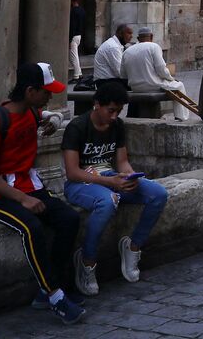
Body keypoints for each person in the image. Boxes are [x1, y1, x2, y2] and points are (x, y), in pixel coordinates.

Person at [0, 62, 85, 324]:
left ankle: (48, 286)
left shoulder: (31, 113)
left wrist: (54, 118)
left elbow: (46, 115)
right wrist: (22, 198)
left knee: (69, 219)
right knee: (31, 228)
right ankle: (55, 295)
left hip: (29, 186)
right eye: (45, 91)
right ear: (29, 91)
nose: (50, 96)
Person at [61, 81, 169, 294]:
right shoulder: (77, 127)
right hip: (81, 183)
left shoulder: (117, 125)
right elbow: (72, 172)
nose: (114, 116)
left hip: (110, 177)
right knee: (107, 202)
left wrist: (129, 176)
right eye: (111, 110)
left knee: (158, 194)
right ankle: (87, 260)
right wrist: (110, 182)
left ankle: (133, 246)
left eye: (118, 111)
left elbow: (121, 161)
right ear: (97, 105)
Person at [122, 28, 194, 120]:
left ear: (138, 38)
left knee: (171, 85)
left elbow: (123, 74)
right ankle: (181, 117)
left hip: (135, 87)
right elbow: (161, 70)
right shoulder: (154, 47)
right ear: (151, 36)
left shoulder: (127, 51)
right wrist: (171, 78)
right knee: (179, 85)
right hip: (152, 85)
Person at [69, 0, 86, 78]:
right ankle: (79, 73)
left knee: (73, 57)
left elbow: (72, 26)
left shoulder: (73, 11)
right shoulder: (82, 10)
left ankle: (76, 75)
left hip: (74, 35)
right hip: (79, 35)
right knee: (74, 55)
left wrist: (69, 39)